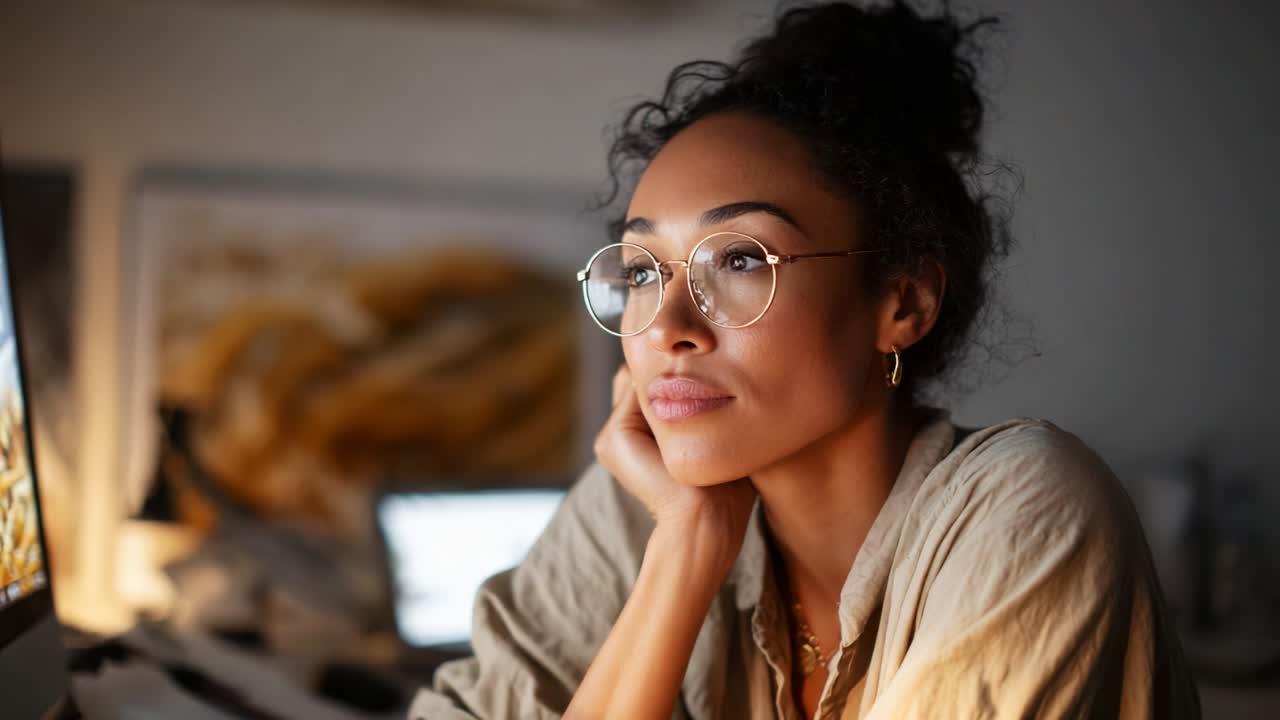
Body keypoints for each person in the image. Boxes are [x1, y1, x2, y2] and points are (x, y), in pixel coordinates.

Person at [409, 2, 1200, 718]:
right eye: (645, 271)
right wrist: (685, 549)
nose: (668, 328)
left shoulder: (1029, 505)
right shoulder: (644, 501)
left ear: (903, 304)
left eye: (741, 260)